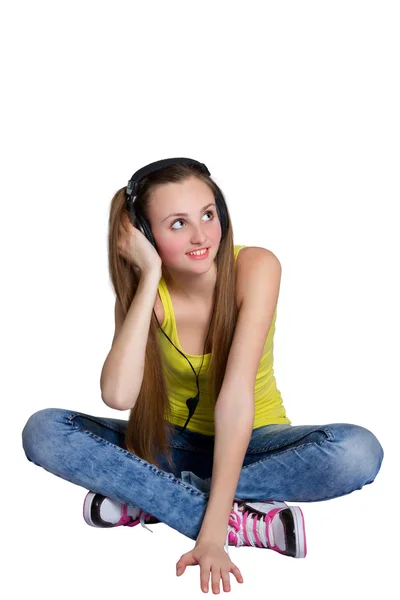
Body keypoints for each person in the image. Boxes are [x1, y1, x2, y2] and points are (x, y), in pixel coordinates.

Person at [22, 157, 384, 595]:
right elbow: (118, 396)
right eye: (177, 223)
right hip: (169, 444)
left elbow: (234, 400)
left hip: (255, 442)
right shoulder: (145, 298)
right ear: (143, 233)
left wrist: (211, 533)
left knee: (357, 452)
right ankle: (247, 521)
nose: (201, 236)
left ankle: (147, 499)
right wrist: (148, 277)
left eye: (208, 214)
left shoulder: (256, 267)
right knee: (43, 431)